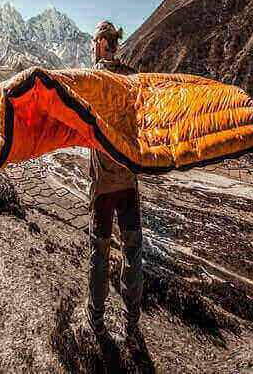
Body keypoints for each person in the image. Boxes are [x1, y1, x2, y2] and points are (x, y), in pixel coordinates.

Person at [85, 20, 143, 343]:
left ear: (103, 44)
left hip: (103, 186)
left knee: (99, 250)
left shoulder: (93, 80)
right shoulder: (132, 77)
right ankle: (131, 325)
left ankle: (95, 322)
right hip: (129, 182)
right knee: (133, 251)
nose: (93, 47)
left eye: (95, 42)